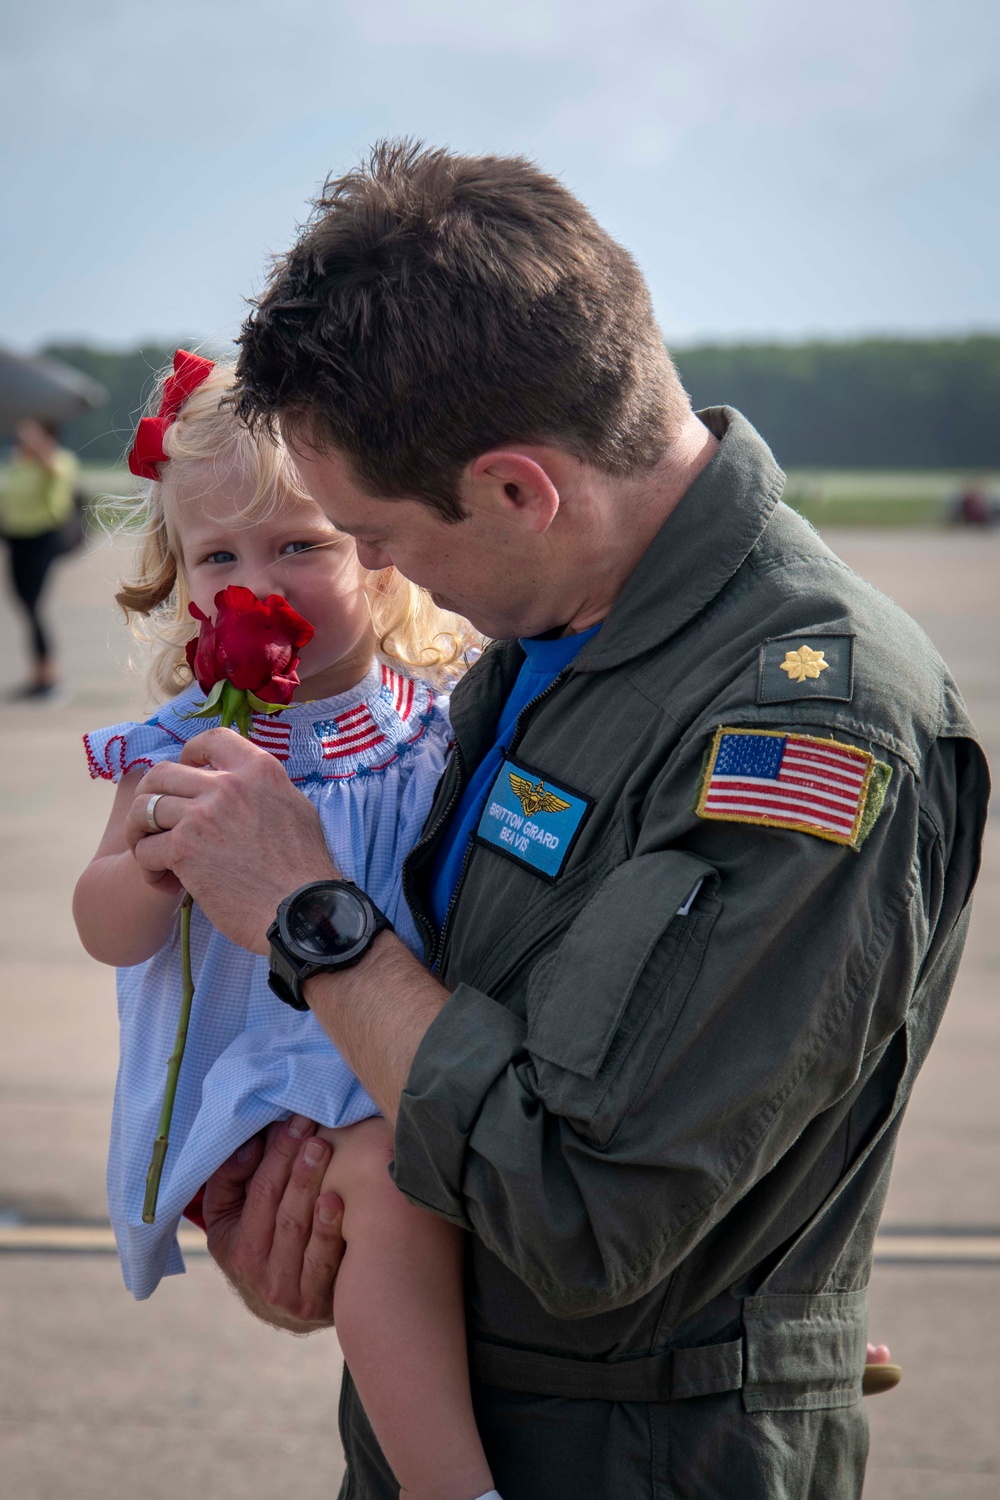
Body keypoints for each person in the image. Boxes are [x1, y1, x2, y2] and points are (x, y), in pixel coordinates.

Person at [126, 146, 990, 1500]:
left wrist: (312, 917)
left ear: (522, 489)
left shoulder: (803, 728)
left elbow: (589, 1215)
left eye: (382, 536)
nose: (381, 575)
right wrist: (312, 1225)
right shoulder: (548, 644)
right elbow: (459, 1059)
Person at [73, 355, 502, 1500]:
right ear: (182, 582)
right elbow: (106, 929)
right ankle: (449, 1484)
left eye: (295, 545)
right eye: (218, 557)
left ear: (376, 544)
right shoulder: (182, 748)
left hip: (403, 1042)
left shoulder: (443, 716)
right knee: (391, 1190)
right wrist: (154, 864)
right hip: (263, 1076)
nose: (255, 580)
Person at [0, 417, 78, 700]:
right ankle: (38, 672)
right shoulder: (20, 465)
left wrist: (37, 447)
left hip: (42, 539)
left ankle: (48, 675)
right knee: (23, 604)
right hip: (16, 540)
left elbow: (56, 473)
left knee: (33, 605)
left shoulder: (59, 460)